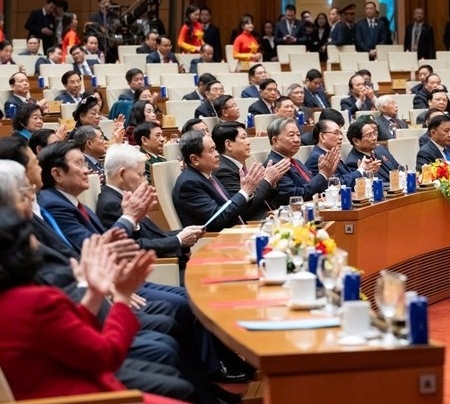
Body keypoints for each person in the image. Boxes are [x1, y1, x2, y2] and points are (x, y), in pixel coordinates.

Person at [0, 206, 193, 404]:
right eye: (30, 235)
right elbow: (105, 356)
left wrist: (94, 292)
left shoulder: (14, 298)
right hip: (79, 395)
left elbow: (68, 335)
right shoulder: (36, 301)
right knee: (180, 386)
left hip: (61, 376)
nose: (36, 241)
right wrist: (122, 298)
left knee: (172, 375)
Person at [172, 130, 265, 231]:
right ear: (194, 159)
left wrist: (247, 193)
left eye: (215, 149)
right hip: (214, 238)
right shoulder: (189, 184)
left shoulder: (208, 175)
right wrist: (244, 192)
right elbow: (216, 219)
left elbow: (230, 208)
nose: (217, 154)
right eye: (211, 150)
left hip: (235, 230)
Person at [212, 121, 289, 221]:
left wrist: (272, 182)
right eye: (243, 138)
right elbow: (244, 208)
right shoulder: (224, 171)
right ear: (229, 144)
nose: (248, 142)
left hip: (268, 217)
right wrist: (267, 181)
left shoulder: (238, 166)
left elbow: (263, 199)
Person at [263, 118, 338, 209]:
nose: (297, 140)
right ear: (275, 141)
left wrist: (327, 175)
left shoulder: (296, 162)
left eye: (298, 135)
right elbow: (294, 197)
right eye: (291, 135)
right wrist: (323, 174)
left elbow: (312, 187)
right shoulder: (274, 165)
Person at [306, 119, 380, 187]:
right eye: (336, 133)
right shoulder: (318, 158)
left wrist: (363, 171)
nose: (341, 137)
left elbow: (346, 178)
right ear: (322, 137)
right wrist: (360, 170)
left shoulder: (331, 154)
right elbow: (335, 185)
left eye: (340, 133)